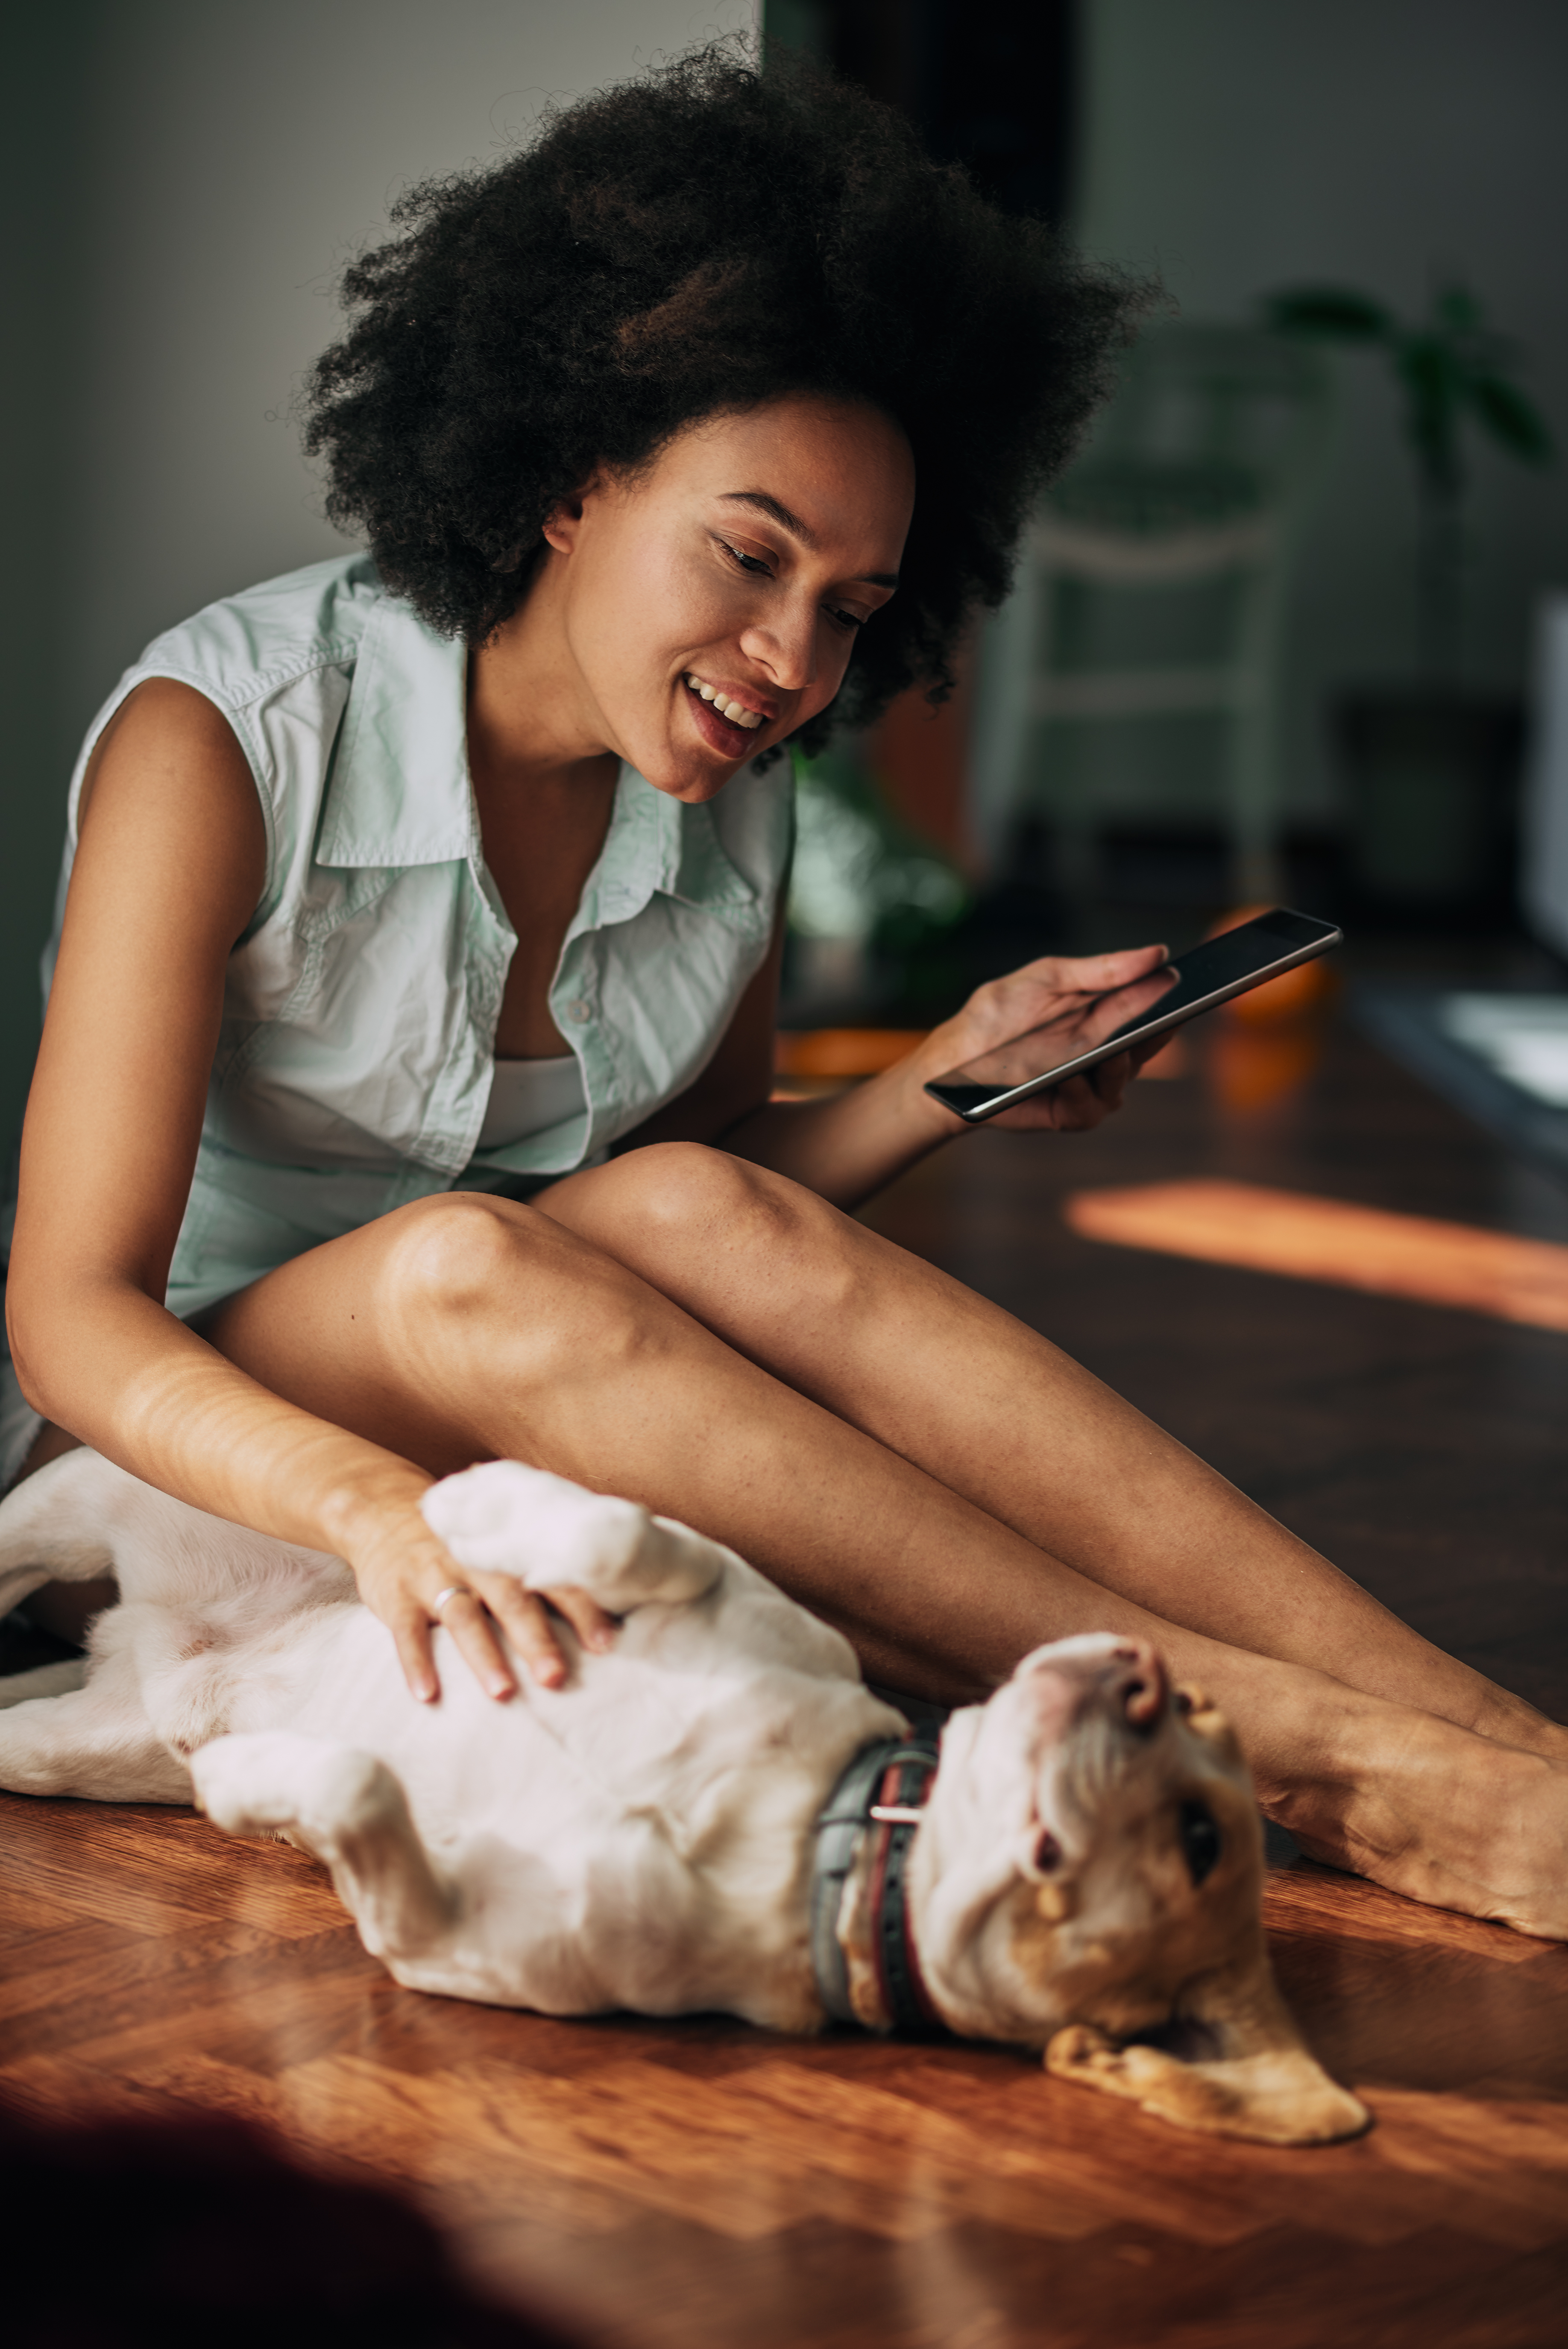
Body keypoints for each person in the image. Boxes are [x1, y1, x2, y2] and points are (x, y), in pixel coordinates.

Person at [5, 45, 1567, 1938]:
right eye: (751, 554)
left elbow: (701, 1207)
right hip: (204, 1429)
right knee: (469, 1262)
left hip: (519, 1362)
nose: (791, 656)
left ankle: (1482, 1738)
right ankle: (1304, 1752)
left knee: (658, 1200)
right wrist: (357, 1505)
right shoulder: (230, 734)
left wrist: (944, 1076)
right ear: (577, 477)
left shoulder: (730, 791)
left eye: (850, 604)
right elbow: (70, 1314)